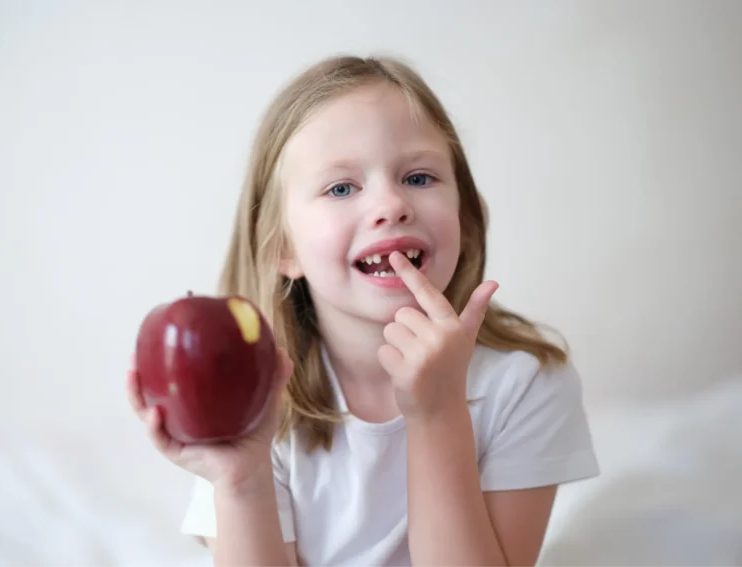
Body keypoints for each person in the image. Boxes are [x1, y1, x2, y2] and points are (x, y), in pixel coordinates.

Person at [127, 54, 600, 567]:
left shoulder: (525, 383)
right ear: (281, 247)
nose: (391, 204)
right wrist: (242, 482)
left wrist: (438, 413)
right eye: (341, 187)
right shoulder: (253, 402)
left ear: (462, 214)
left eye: (419, 177)